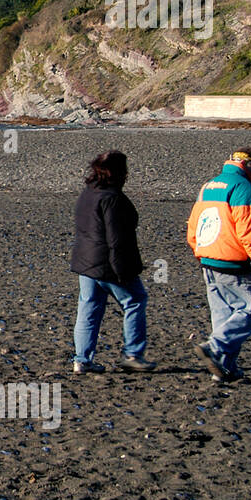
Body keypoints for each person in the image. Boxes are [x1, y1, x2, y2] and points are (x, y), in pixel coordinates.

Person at [186, 147, 251, 382]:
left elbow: (194, 225)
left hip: (208, 260)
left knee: (224, 316)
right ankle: (214, 348)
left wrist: (199, 251)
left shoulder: (209, 186)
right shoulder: (243, 189)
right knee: (250, 312)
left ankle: (224, 368)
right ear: (249, 165)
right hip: (232, 262)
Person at [70, 150, 155, 374]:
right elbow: (117, 240)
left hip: (86, 262)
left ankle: (82, 359)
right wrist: (123, 271)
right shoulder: (112, 198)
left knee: (89, 308)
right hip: (106, 263)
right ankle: (132, 354)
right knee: (135, 300)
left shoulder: (88, 193)